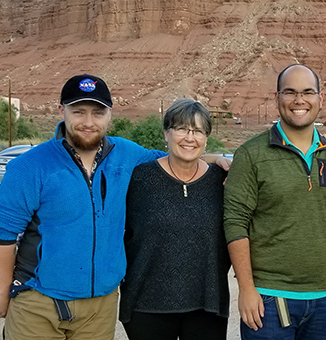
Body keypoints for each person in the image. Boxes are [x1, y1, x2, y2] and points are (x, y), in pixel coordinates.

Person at [0, 74, 168, 339]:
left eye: (97, 113)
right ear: (61, 110)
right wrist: (2, 291)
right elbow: (4, 235)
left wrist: (216, 160)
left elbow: (174, 162)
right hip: (37, 303)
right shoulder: (29, 166)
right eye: (78, 112)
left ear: (109, 115)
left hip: (99, 309)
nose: (88, 123)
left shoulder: (127, 154)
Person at [223, 64, 326, 340]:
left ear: (320, 99)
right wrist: (247, 289)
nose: (299, 100)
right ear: (277, 98)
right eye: (290, 92)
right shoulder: (251, 154)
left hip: (324, 300)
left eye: (308, 92)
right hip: (270, 300)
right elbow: (236, 222)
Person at [120, 99, 230, 340]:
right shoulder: (139, 179)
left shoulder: (222, 180)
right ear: (166, 134)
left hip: (208, 305)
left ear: (206, 138)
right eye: (181, 128)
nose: (189, 137)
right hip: (146, 306)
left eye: (198, 131)